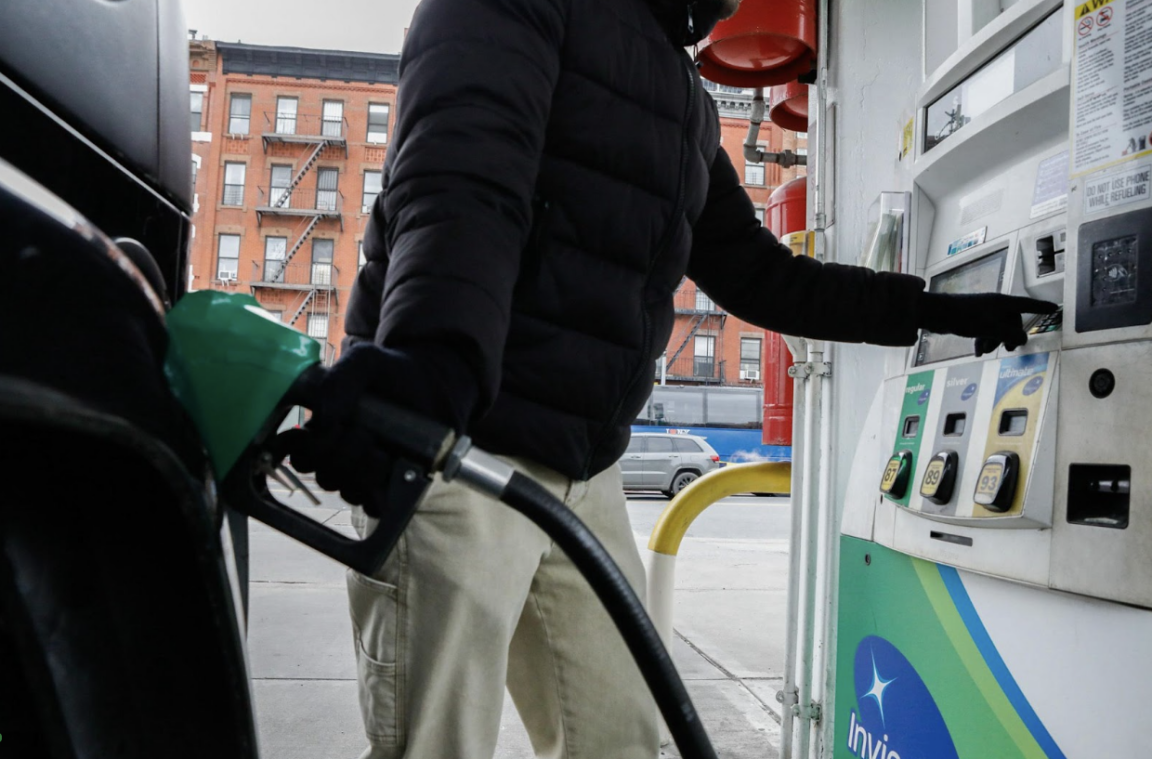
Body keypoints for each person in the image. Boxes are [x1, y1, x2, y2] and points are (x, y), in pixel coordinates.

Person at [287, 0, 1055, 756]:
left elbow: (761, 276)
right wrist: (432, 366)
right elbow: (463, 177)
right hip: (461, 444)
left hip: (584, 468)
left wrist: (928, 309)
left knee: (620, 731)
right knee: (436, 743)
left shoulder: (680, 99)